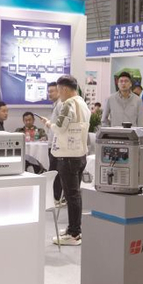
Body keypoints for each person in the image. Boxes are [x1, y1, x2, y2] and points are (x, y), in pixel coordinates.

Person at [45, 75, 91, 246]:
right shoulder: (82, 103)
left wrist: (49, 124)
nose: (58, 94)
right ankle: (74, 228)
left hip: (68, 156)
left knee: (72, 196)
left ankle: (74, 234)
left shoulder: (68, 104)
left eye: (58, 90)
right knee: (75, 195)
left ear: (64, 89)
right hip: (80, 155)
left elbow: (59, 127)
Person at [46, 82, 64, 206]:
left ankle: (57, 197)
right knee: (54, 171)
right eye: (48, 91)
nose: (49, 94)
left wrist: (49, 124)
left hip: (56, 145)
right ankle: (55, 197)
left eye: (52, 91)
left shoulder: (61, 105)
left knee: (55, 172)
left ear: (59, 91)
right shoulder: (55, 105)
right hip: (53, 143)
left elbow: (59, 126)